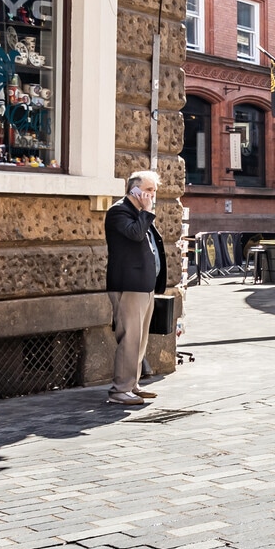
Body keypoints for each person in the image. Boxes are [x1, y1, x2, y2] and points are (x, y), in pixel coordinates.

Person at [104, 169, 166, 406]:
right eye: (148, 190)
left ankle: (132, 384)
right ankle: (120, 389)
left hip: (144, 286)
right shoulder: (119, 211)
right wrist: (147, 212)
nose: (152, 195)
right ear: (134, 190)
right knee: (129, 337)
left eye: (154, 191)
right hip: (128, 285)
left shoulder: (140, 213)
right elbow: (136, 235)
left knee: (140, 339)